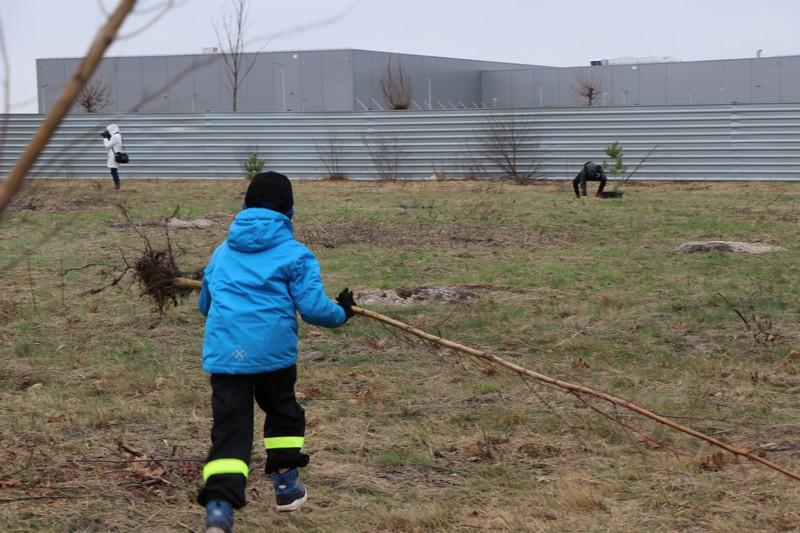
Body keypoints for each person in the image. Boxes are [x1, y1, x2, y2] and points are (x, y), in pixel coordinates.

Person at [197, 171, 356, 533]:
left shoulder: (221, 253)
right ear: (289, 212)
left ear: (244, 206)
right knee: (283, 413)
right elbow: (313, 308)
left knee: (230, 429)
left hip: (226, 357)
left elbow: (205, 305)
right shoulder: (295, 254)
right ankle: (286, 486)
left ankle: (219, 508)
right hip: (274, 356)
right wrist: (342, 313)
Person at [101, 123, 124, 190]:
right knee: (114, 171)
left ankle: (117, 186)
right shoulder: (119, 135)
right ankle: (117, 185)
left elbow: (107, 146)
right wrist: (109, 137)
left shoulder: (115, 137)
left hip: (113, 156)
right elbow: (114, 144)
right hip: (117, 154)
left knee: (113, 171)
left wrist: (105, 138)